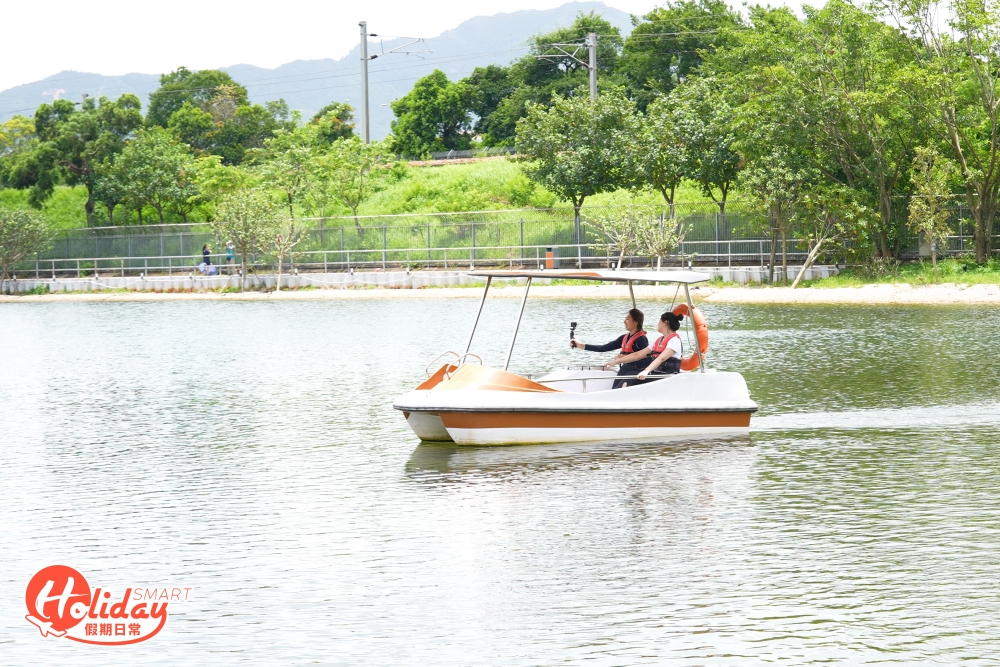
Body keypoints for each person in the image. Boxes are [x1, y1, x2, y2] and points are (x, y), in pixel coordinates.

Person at [570, 308, 650, 389]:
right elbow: (603, 348)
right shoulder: (624, 338)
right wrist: (579, 345)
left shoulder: (641, 340)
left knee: (623, 374)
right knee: (600, 369)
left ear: (636, 322)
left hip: (634, 374)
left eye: (628, 319)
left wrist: (624, 358)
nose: (624, 321)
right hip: (625, 371)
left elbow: (647, 362)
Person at [637, 312, 686, 382]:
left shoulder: (675, 340)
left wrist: (646, 371)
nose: (658, 324)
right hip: (657, 373)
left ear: (665, 322)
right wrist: (617, 361)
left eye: (659, 321)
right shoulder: (659, 340)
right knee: (630, 372)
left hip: (667, 376)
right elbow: (637, 355)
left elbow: (661, 358)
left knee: (633, 379)